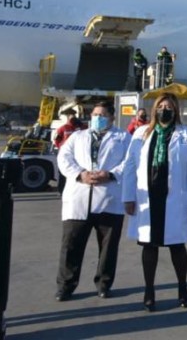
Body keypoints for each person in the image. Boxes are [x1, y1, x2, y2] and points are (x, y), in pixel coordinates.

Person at [123, 92, 187, 311]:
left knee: (177, 245)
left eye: (169, 107)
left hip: (174, 197)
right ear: (154, 110)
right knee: (149, 245)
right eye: (161, 107)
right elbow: (130, 166)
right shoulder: (141, 133)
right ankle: (149, 291)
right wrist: (128, 196)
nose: (164, 110)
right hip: (147, 197)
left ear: (175, 110)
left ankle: (182, 288)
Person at [54, 101, 130, 301]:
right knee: (71, 245)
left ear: (112, 118)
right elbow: (64, 158)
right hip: (79, 197)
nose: (97, 118)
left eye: (102, 114)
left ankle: (104, 284)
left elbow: (131, 161)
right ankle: (65, 286)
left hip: (109, 198)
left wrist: (111, 174)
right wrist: (80, 175)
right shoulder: (77, 136)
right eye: (95, 114)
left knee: (108, 247)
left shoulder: (123, 138)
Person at [53, 108, 87, 193]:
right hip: (66, 154)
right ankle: (61, 191)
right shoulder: (63, 128)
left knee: (78, 172)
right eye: (70, 115)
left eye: (73, 115)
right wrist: (62, 149)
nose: (72, 117)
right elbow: (56, 140)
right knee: (63, 173)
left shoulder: (82, 127)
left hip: (79, 154)